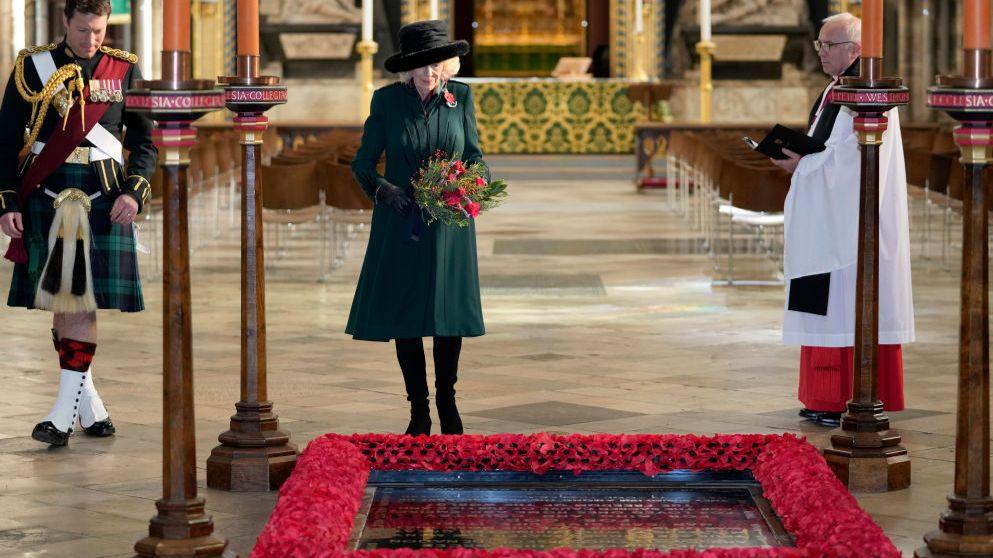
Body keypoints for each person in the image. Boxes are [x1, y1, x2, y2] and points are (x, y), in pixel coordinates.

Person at [0, 0, 156, 446]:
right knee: (64, 301)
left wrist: (135, 190)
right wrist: (7, 200)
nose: (92, 40)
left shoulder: (123, 70)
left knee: (76, 304)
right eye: (84, 29)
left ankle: (61, 418)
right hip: (46, 193)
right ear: (65, 21)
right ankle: (88, 406)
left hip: (104, 198)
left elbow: (146, 141)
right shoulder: (32, 68)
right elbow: (5, 139)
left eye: (100, 32)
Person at [771, 13, 913, 427]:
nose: (820, 52)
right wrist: (802, 159)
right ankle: (822, 397)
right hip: (826, 217)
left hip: (849, 226)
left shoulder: (867, 93)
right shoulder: (836, 89)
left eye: (827, 46)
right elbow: (828, 148)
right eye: (819, 44)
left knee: (844, 305)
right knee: (822, 305)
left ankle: (850, 397)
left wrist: (803, 166)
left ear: (854, 50)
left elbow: (854, 163)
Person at [346, 20, 486, 436]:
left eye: (436, 64)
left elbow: (477, 157)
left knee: (448, 314)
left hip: (449, 223)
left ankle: (448, 400)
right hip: (402, 219)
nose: (429, 73)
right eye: (420, 65)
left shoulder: (461, 97)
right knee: (407, 314)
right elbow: (362, 164)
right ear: (406, 68)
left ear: (447, 64)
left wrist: (469, 186)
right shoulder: (386, 102)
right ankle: (419, 410)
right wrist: (384, 190)